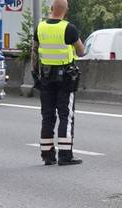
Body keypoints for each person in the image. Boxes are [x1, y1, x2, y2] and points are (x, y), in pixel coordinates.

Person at [33, 0, 87, 165]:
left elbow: (34, 51)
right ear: (66, 10)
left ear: (51, 9)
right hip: (65, 79)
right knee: (66, 116)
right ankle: (65, 155)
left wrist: (34, 72)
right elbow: (81, 50)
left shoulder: (40, 27)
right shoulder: (68, 28)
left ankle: (47, 155)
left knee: (47, 116)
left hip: (46, 77)